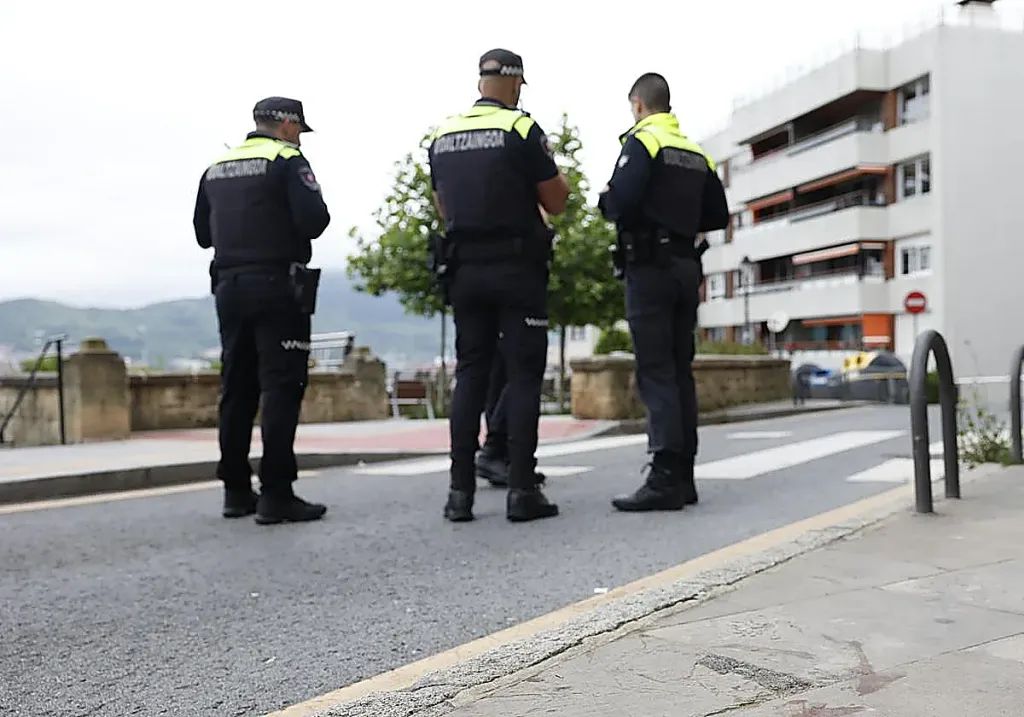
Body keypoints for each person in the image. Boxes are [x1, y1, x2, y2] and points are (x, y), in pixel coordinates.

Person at [428, 49, 569, 522]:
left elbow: (443, 206)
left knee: (470, 374)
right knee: (524, 374)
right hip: (517, 268)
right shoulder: (521, 129)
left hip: (464, 269)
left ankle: (459, 494)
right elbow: (556, 200)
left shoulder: (443, 135)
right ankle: (522, 491)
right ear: (514, 83)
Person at [193, 97, 331, 525]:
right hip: (277, 286)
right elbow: (315, 221)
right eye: (299, 130)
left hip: (228, 286)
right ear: (287, 126)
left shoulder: (217, 167)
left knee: (237, 387)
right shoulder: (287, 160)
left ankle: (236, 490)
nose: (300, 138)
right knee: (281, 386)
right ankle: (276, 492)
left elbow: (202, 234)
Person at [598, 73, 729, 512]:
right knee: (678, 370)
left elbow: (619, 202)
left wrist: (608, 200)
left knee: (655, 371)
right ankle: (684, 475)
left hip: (650, 268)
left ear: (638, 104)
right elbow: (718, 214)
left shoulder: (643, 142)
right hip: (686, 267)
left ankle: (664, 476)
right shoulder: (695, 151)